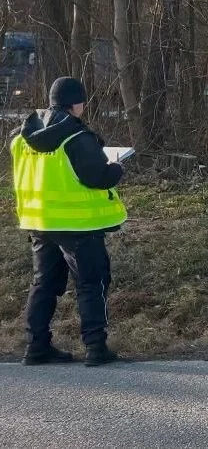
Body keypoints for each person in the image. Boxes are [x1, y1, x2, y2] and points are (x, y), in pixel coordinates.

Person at [9, 77, 125, 367]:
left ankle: (36, 346)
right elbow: (97, 177)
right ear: (76, 103)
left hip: (38, 220)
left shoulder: (21, 137)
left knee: (43, 283)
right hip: (77, 224)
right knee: (90, 283)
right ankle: (95, 347)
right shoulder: (76, 136)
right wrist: (117, 168)